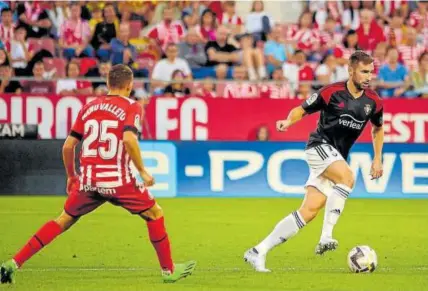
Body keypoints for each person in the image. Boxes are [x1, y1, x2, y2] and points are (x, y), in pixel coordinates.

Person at [0, 64, 197, 284]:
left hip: (88, 180)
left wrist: (72, 176)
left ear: (108, 83)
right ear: (130, 85)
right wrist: (142, 171)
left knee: (63, 220)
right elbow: (129, 139)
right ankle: (168, 271)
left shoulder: (89, 107)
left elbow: (68, 146)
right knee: (154, 213)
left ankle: (13, 263)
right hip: (117, 179)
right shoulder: (132, 106)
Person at [244, 51, 384, 272]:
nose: (368, 77)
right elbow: (302, 109)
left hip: (335, 156)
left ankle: (257, 251)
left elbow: (377, 129)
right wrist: (288, 122)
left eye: (371, 72)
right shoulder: (331, 92)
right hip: (318, 146)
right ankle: (326, 236)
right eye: (364, 72)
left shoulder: (373, 101)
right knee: (347, 177)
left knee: (308, 211)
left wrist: (377, 159)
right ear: (351, 70)